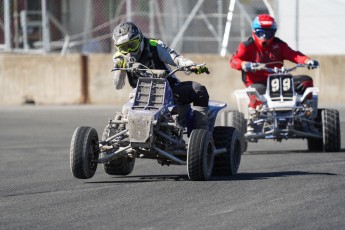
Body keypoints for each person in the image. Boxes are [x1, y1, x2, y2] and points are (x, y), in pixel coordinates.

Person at [112, 22, 210, 130]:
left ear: (140, 39)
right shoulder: (119, 57)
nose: (129, 51)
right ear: (118, 48)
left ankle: (201, 133)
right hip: (140, 93)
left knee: (198, 90)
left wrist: (190, 65)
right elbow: (118, 86)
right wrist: (119, 71)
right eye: (124, 48)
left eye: (132, 45)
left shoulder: (154, 45)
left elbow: (175, 59)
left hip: (169, 88)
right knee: (125, 110)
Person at [230, 14, 320, 110]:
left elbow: (294, 55)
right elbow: (234, 60)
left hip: (279, 79)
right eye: (261, 33)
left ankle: (307, 110)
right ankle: (255, 114)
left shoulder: (279, 45)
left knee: (306, 81)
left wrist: (307, 60)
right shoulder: (246, 46)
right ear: (254, 32)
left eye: (268, 34)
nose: (264, 37)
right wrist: (244, 64)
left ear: (274, 33)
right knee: (257, 93)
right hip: (257, 82)